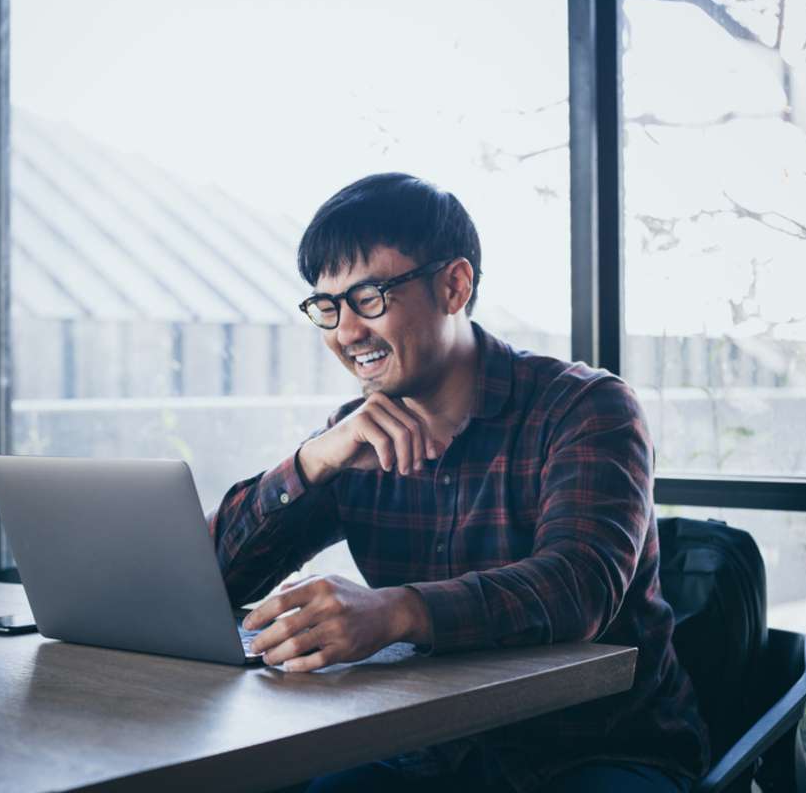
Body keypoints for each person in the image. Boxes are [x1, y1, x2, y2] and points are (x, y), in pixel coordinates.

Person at [207, 173, 709, 792]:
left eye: (368, 296)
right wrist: (312, 461)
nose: (345, 332)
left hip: (598, 746)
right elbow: (210, 579)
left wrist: (396, 611)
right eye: (327, 307)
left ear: (454, 285)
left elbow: (580, 586)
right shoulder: (355, 438)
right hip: (427, 745)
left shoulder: (585, 408)